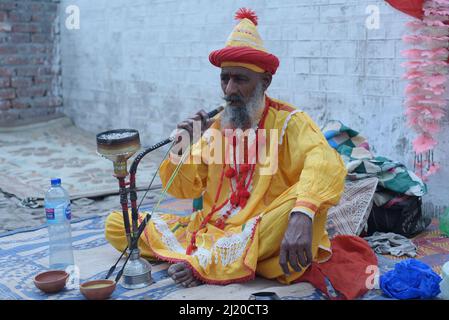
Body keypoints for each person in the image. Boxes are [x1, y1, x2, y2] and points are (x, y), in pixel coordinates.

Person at [105, 8, 346, 288]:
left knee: (303, 207)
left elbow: (326, 163)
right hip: (210, 229)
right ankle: (224, 259)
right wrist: (183, 144)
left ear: (264, 82)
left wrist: (302, 213)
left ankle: (211, 261)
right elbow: (184, 190)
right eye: (225, 78)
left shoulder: (290, 121)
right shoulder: (217, 126)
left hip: (262, 227)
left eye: (240, 79)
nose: (229, 88)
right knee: (117, 223)